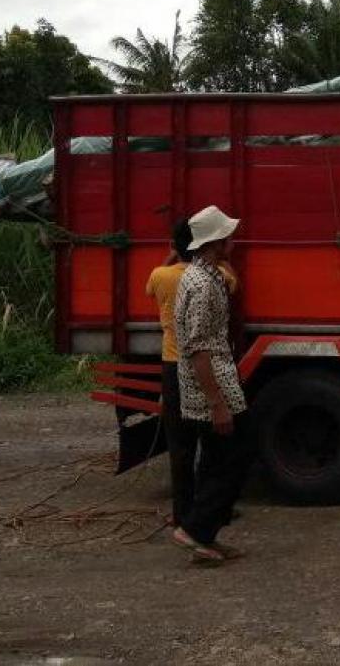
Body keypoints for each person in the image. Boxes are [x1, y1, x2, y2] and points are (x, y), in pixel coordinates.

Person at [169, 205, 252, 565]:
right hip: (211, 382)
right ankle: (196, 528)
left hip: (214, 378)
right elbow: (199, 346)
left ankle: (205, 535)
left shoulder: (203, 274)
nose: (233, 239)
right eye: (227, 235)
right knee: (235, 453)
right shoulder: (202, 284)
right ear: (217, 242)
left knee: (217, 459)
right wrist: (216, 402)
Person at [144, 217, 238, 532]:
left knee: (181, 447)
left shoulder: (161, 276)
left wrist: (173, 255)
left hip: (173, 365)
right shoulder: (213, 279)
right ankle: (201, 518)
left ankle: (183, 514)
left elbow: (150, 289)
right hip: (201, 366)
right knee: (213, 446)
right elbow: (233, 281)